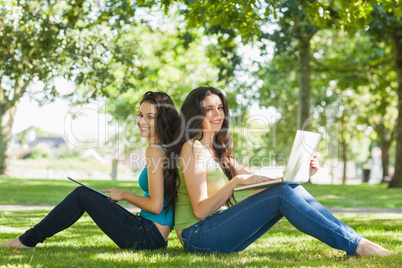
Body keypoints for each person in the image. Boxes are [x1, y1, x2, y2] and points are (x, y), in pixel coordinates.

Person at [167, 86, 394, 256]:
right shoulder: (192, 147)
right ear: (196, 113)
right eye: (209, 109)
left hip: (216, 231)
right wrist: (234, 182)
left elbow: (255, 176)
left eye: (220, 108)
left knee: (287, 188)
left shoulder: (216, 149)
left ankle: (356, 242)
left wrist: (299, 173)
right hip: (197, 236)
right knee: (282, 194)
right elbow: (200, 210)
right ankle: (357, 246)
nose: (217, 114)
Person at [0, 91, 179, 250]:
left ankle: (26, 241)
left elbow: (155, 206)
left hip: (146, 235)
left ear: (163, 119)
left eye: (151, 117)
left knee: (82, 195)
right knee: (84, 194)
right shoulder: (162, 149)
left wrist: (124, 195)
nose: (142, 121)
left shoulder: (155, 150)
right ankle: (27, 239)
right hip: (150, 233)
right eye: (140, 115)